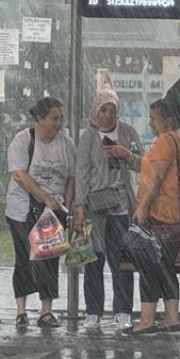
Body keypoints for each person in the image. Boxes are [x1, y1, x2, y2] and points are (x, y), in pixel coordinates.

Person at [72, 69, 145, 332]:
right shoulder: (88, 137)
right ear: (95, 111)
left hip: (122, 207)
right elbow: (81, 173)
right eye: (103, 110)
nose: (108, 115)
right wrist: (79, 208)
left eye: (112, 110)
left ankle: (123, 311)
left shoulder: (127, 132)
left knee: (122, 260)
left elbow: (143, 165)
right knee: (94, 260)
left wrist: (127, 155)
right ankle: (93, 312)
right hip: (94, 209)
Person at [6, 96, 76, 330]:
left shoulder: (66, 143)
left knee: (49, 258)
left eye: (61, 118)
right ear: (40, 119)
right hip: (23, 209)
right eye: (54, 118)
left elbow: (71, 178)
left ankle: (46, 311)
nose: (59, 123)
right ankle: (21, 310)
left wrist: (65, 205)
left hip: (53, 210)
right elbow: (20, 175)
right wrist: (44, 197)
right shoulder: (24, 140)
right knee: (25, 257)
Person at [128, 98, 180, 336]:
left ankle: (146, 320)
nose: (150, 123)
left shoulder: (166, 140)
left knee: (149, 267)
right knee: (166, 268)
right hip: (176, 216)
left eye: (153, 119)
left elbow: (155, 178)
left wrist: (143, 207)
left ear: (167, 121)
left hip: (161, 214)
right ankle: (171, 319)